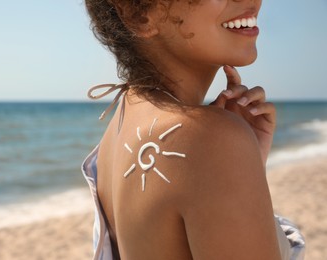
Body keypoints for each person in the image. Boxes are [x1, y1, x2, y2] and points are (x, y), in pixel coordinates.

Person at [82, 0, 305, 259]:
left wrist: (246, 164)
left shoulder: (121, 122)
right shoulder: (213, 140)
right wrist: (228, 152)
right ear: (139, 15)